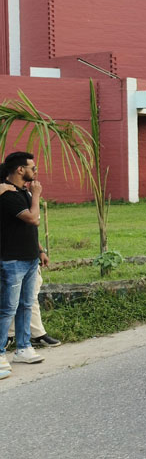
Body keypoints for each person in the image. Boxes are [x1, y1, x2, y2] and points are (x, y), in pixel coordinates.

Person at [0, 152, 51, 375]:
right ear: (20, 170)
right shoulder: (7, 193)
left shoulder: (22, 191)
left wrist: (39, 250)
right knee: (7, 308)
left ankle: (24, 347)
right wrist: (37, 195)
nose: (36, 170)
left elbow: (31, 228)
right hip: (12, 260)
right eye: (33, 167)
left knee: (26, 305)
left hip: (30, 258)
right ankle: (0, 353)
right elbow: (33, 218)